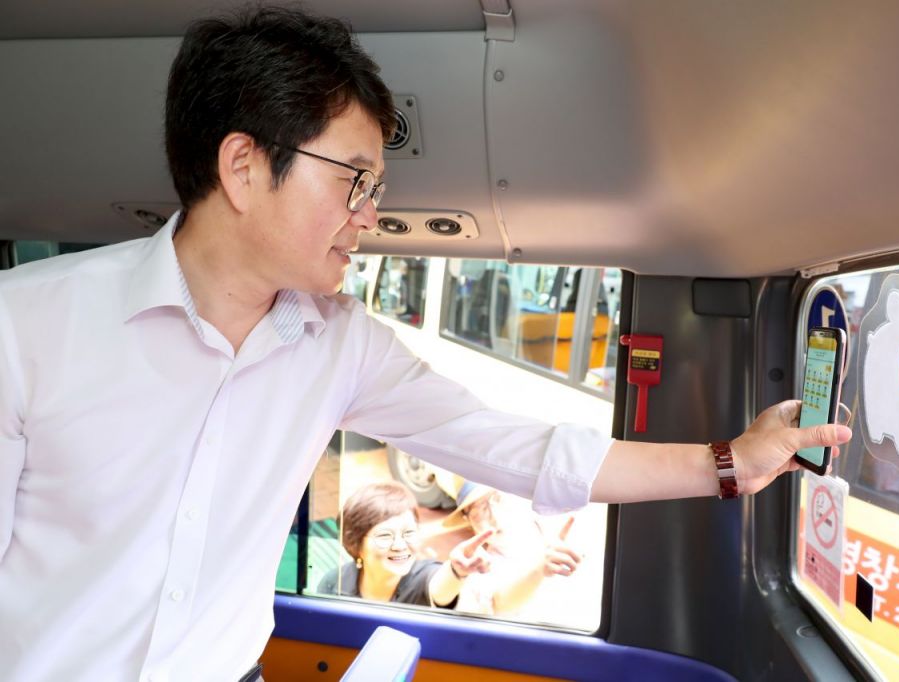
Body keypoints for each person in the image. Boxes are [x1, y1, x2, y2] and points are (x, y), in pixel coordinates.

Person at [0, 6, 851, 681]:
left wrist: (732, 462)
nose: (370, 215)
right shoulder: (24, 327)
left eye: (375, 187)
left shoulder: (339, 347)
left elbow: (521, 448)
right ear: (243, 167)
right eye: (354, 181)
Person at [316, 481, 492, 606]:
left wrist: (457, 571)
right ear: (356, 545)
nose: (400, 546)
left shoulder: (422, 577)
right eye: (385, 536)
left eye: (408, 533)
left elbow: (440, 588)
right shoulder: (334, 583)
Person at [442, 481, 582, 619]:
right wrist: (539, 570)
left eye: (497, 499)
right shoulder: (480, 567)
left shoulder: (558, 522)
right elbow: (498, 602)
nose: (494, 517)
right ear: (470, 522)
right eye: (478, 513)